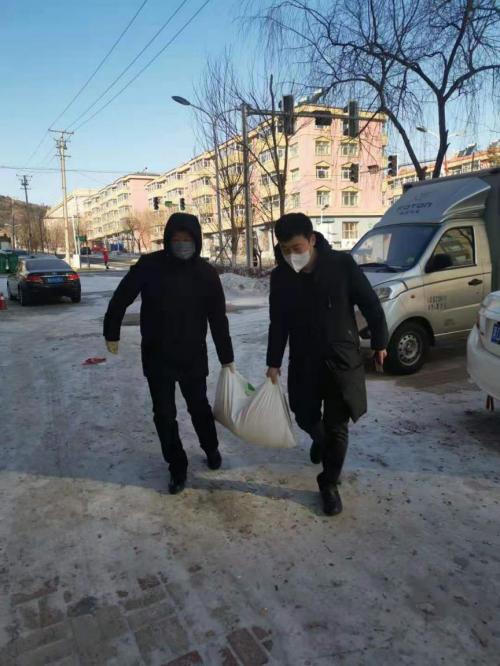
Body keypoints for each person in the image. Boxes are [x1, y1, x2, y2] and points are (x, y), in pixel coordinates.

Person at [266, 213, 388, 516]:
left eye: (296, 248)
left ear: (311, 240)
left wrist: (380, 341)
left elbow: (370, 303)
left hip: (341, 361)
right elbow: (278, 323)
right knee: (304, 414)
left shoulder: (341, 266)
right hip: (304, 361)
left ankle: (329, 483)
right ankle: (318, 439)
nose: (291, 255)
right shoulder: (281, 277)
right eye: (284, 250)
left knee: (338, 429)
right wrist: (273, 362)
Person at [103, 213, 234, 495]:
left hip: (192, 357)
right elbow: (122, 296)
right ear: (167, 240)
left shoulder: (206, 273)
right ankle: (177, 467)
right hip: (157, 355)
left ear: (197, 241)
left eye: (187, 240)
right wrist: (111, 331)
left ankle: (210, 448)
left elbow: (218, 319)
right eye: (176, 239)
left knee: (199, 408)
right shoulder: (150, 266)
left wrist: (227, 356)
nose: (182, 244)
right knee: (164, 414)